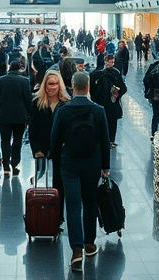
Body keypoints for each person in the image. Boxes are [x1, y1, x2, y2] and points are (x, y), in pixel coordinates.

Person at [49, 72, 111, 272]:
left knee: (73, 204)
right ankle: (89, 243)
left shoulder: (64, 110)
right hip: (92, 163)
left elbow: (55, 140)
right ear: (89, 87)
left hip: (70, 163)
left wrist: (59, 162)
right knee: (90, 201)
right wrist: (105, 166)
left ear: (72, 86)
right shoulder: (99, 110)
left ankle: (76, 250)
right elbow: (105, 141)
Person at [29, 70, 70, 213]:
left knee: (60, 184)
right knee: (42, 185)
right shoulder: (37, 103)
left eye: (55, 84)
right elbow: (32, 129)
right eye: (49, 84)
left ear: (60, 85)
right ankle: (44, 215)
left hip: (61, 150)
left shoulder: (66, 104)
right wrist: (36, 150)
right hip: (43, 148)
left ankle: (58, 216)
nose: (52, 87)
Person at [0, 60, 32, 176]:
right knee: (17, 140)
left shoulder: (1, 80)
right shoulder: (24, 81)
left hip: (4, 116)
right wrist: (30, 116)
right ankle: (15, 164)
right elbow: (28, 100)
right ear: (19, 69)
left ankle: (5, 167)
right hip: (20, 116)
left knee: (5, 141)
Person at [90, 53, 127, 147]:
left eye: (113, 62)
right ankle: (104, 139)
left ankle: (110, 140)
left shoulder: (114, 73)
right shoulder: (98, 73)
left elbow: (122, 87)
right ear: (105, 61)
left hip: (109, 101)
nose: (112, 64)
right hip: (104, 101)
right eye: (110, 62)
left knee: (111, 121)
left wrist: (117, 92)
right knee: (105, 121)